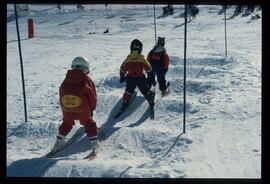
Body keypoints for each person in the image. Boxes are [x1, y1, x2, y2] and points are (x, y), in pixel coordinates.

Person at [50, 56, 99, 154]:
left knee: (67, 123)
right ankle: (94, 143)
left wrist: (65, 108)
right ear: (86, 68)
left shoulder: (66, 79)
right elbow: (92, 96)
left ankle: (59, 141)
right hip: (83, 110)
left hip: (67, 109)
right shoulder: (86, 80)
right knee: (88, 123)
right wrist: (91, 109)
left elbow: (61, 93)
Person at [119, 39, 156, 111]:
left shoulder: (128, 58)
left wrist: (122, 77)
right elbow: (149, 69)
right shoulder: (141, 58)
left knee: (128, 91)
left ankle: (125, 102)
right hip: (140, 79)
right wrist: (152, 77)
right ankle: (151, 101)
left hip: (130, 78)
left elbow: (123, 69)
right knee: (145, 91)